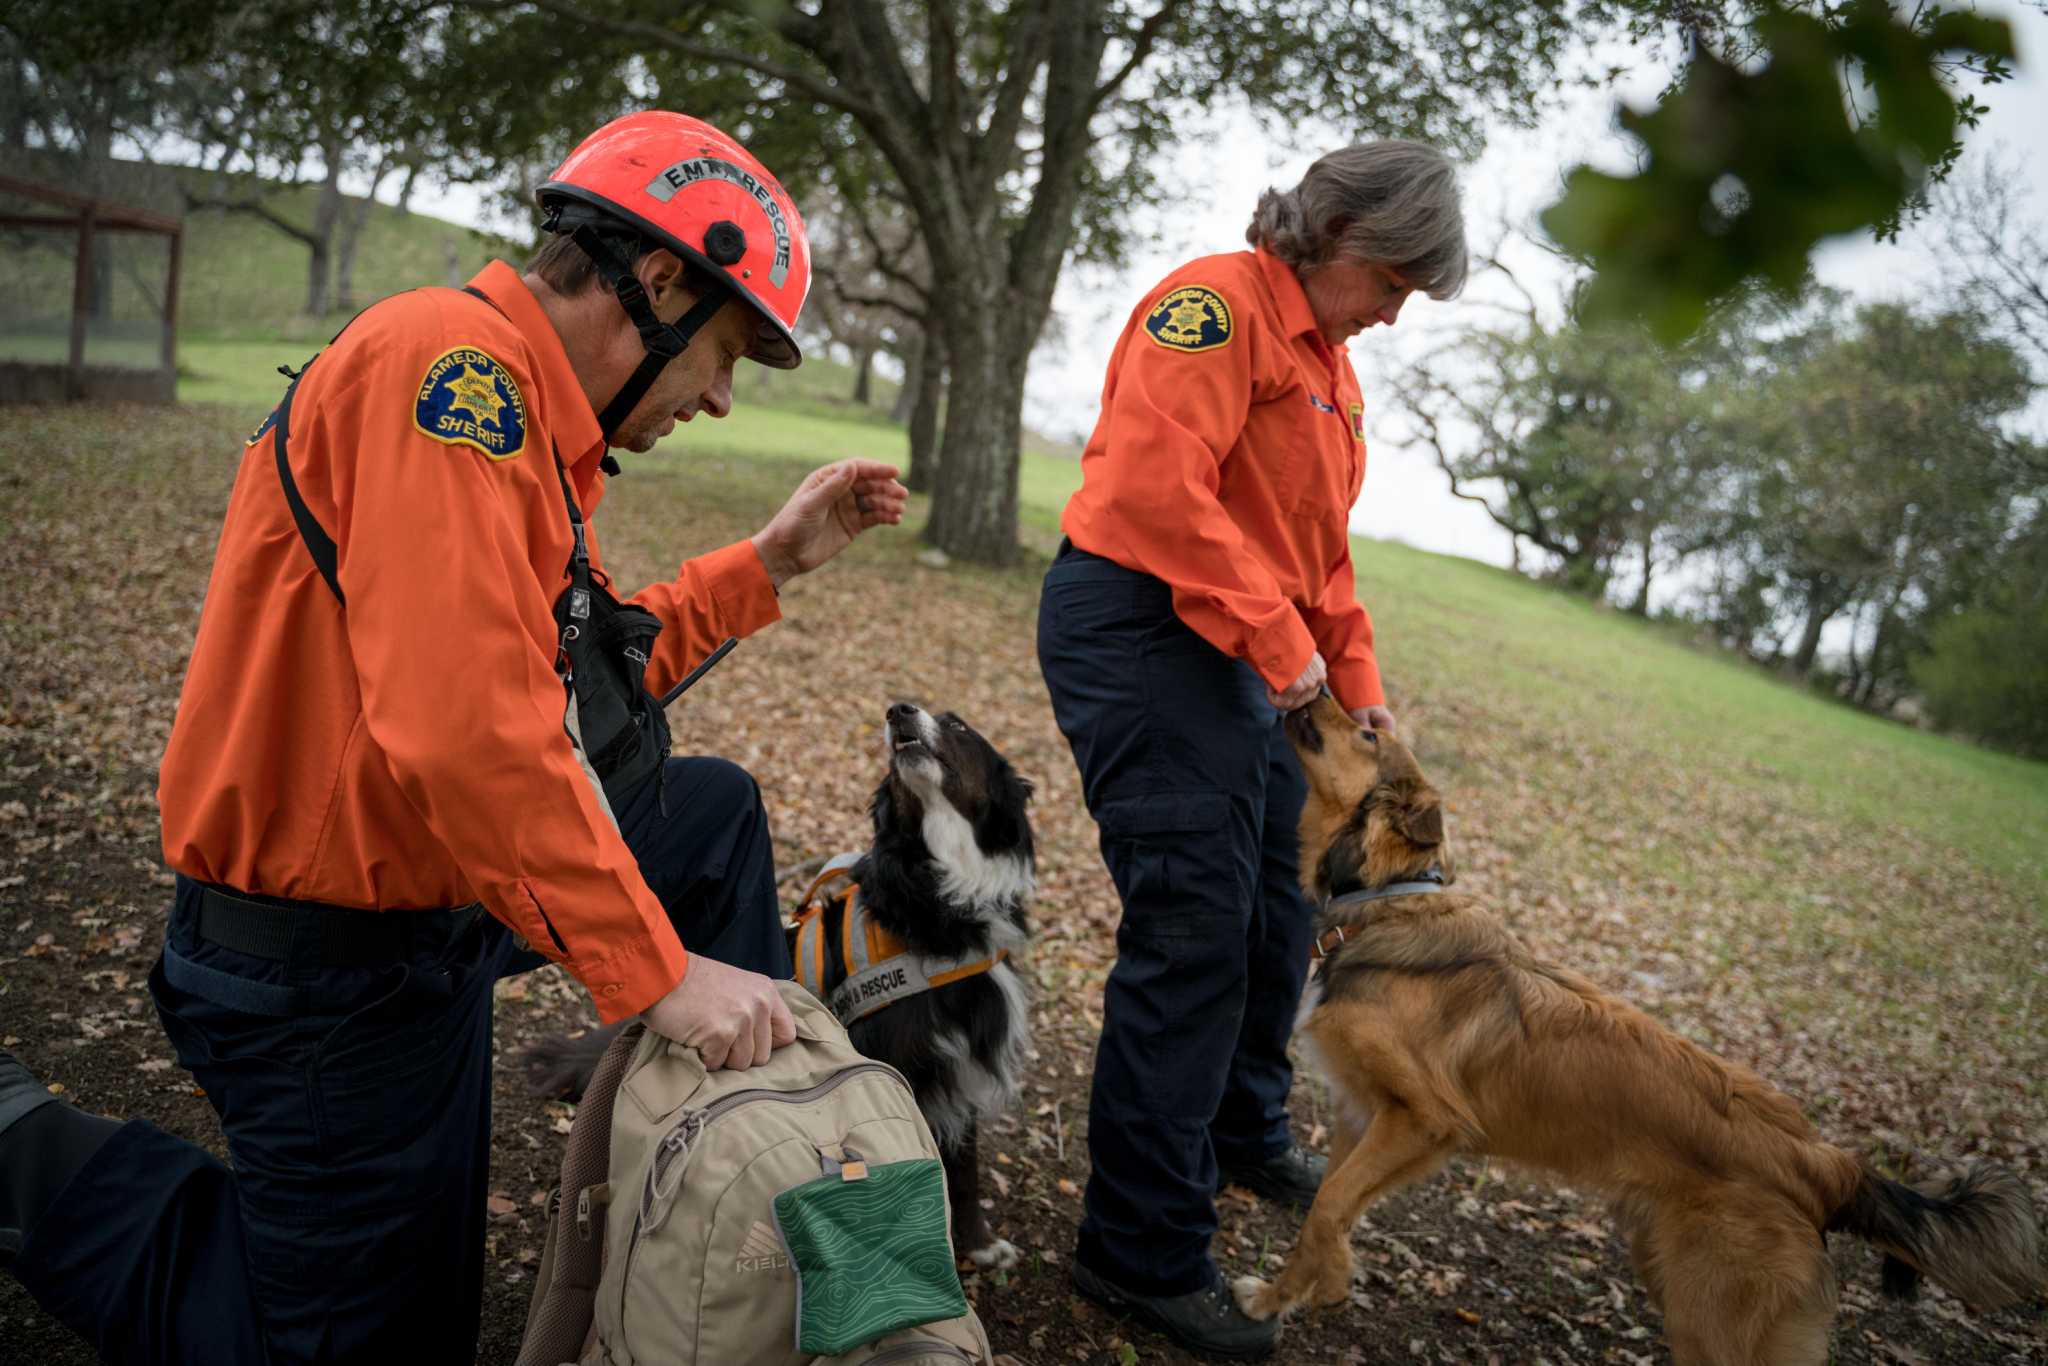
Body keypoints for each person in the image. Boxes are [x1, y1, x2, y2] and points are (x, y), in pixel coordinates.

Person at [0, 110, 908, 1366]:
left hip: (436, 899)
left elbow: (578, 690)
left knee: (708, 816)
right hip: (322, 966)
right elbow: (467, 725)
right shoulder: (448, 374)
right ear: (656, 282)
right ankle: (22, 1151)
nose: (717, 398)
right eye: (724, 355)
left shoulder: (528, 422)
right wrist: (658, 973)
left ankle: (746, 1148)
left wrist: (767, 563)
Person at [1036, 141, 1467, 1359]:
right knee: (1193, 929)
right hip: (1138, 625)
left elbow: (1318, 555)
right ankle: (1136, 1248)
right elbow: (1156, 494)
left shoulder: (1330, 368)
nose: (1393, 314)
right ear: (1341, 234)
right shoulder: (1212, 307)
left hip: (1239, 647)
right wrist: (1281, 649)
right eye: (1393, 283)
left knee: (1280, 912)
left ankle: (1237, 1128)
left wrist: (1361, 697)